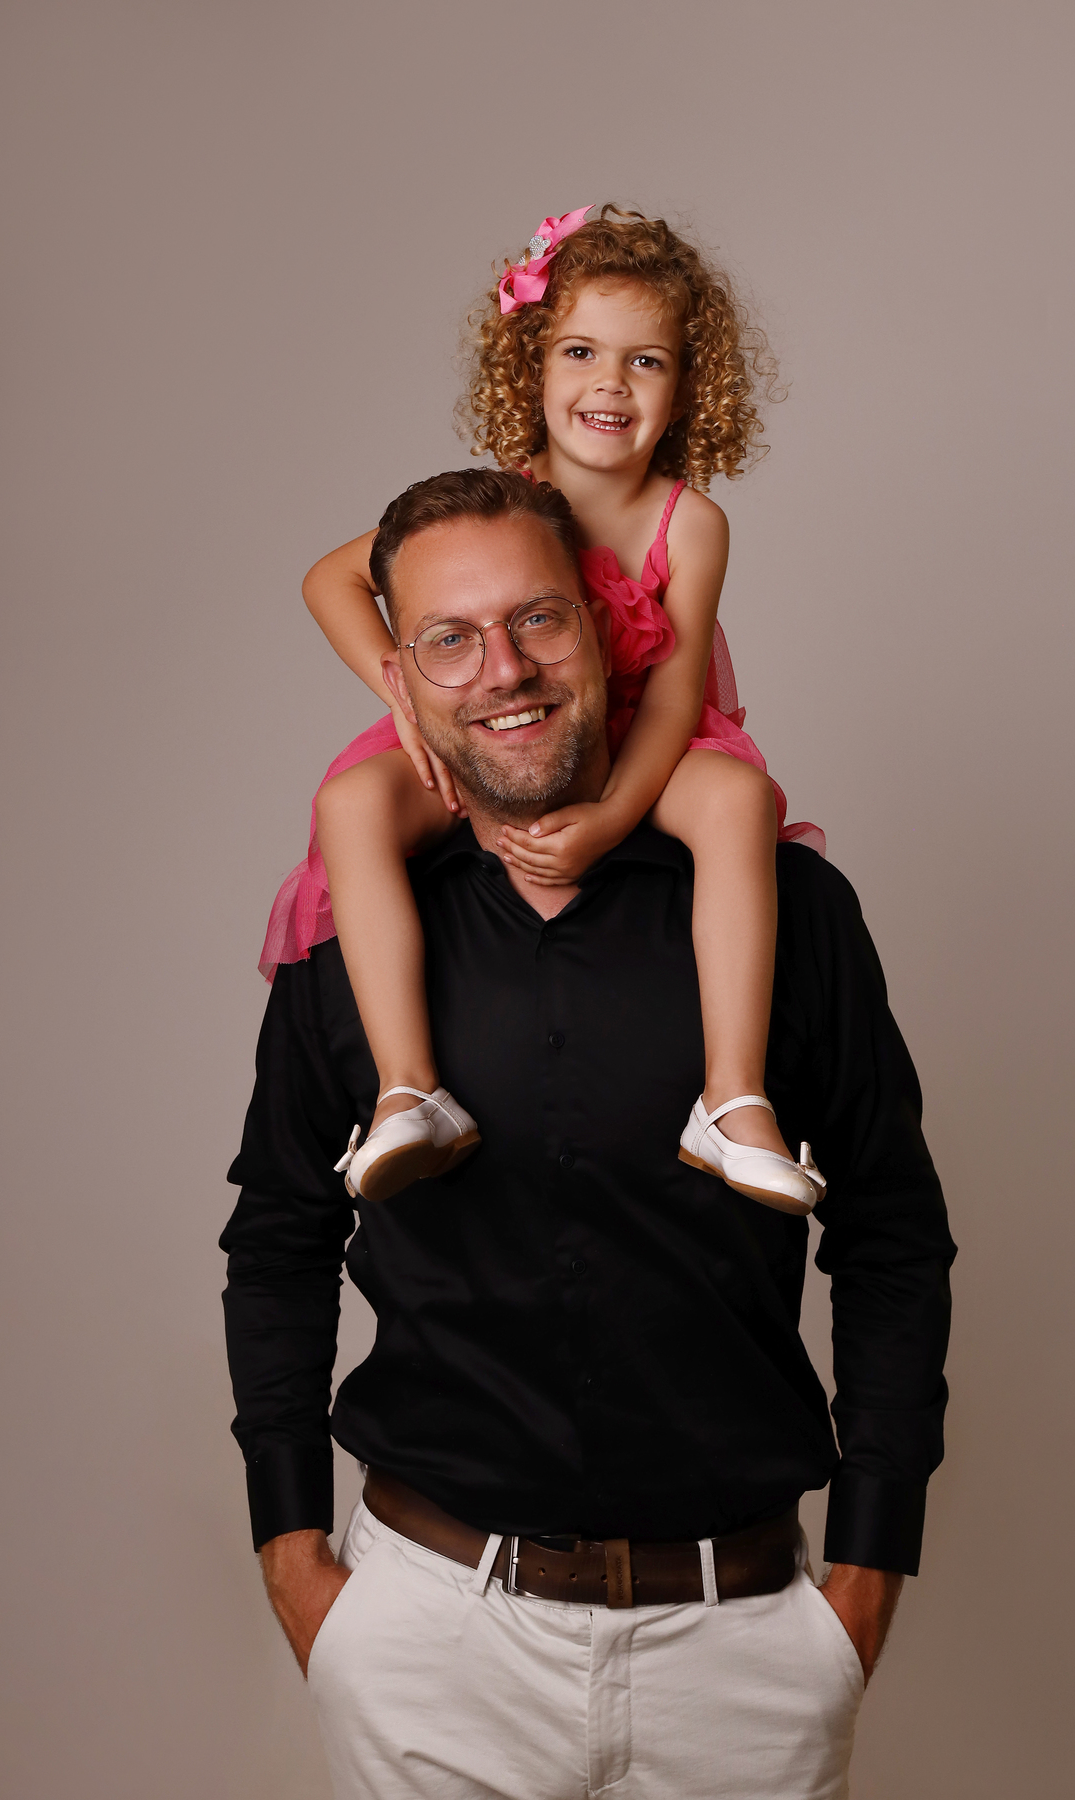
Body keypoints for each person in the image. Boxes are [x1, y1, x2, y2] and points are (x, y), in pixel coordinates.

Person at [222, 469, 955, 1800]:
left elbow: (893, 1236)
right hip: (428, 1644)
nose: (504, 671)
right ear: (404, 674)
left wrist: (865, 1574)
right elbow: (279, 1232)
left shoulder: (787, 911)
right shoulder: (350, 930)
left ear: (607, 626)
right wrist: (291, 1555)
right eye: (450, 639)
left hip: (746, 1652)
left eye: (540, 621)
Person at [259, 204, 827, 1214]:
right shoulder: (504, 504)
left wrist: (610, 817)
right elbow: (328, 580)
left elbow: (677, 697)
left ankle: (734, 1100)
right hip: (504, 729)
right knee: (350, 805)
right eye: (580, 351)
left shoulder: (690, 524)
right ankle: (408, 1091)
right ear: (531, 368)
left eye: (646, 361)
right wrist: (405, 695)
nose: (611, 383)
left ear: (688, 388)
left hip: (641, 739)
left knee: (740, 802)